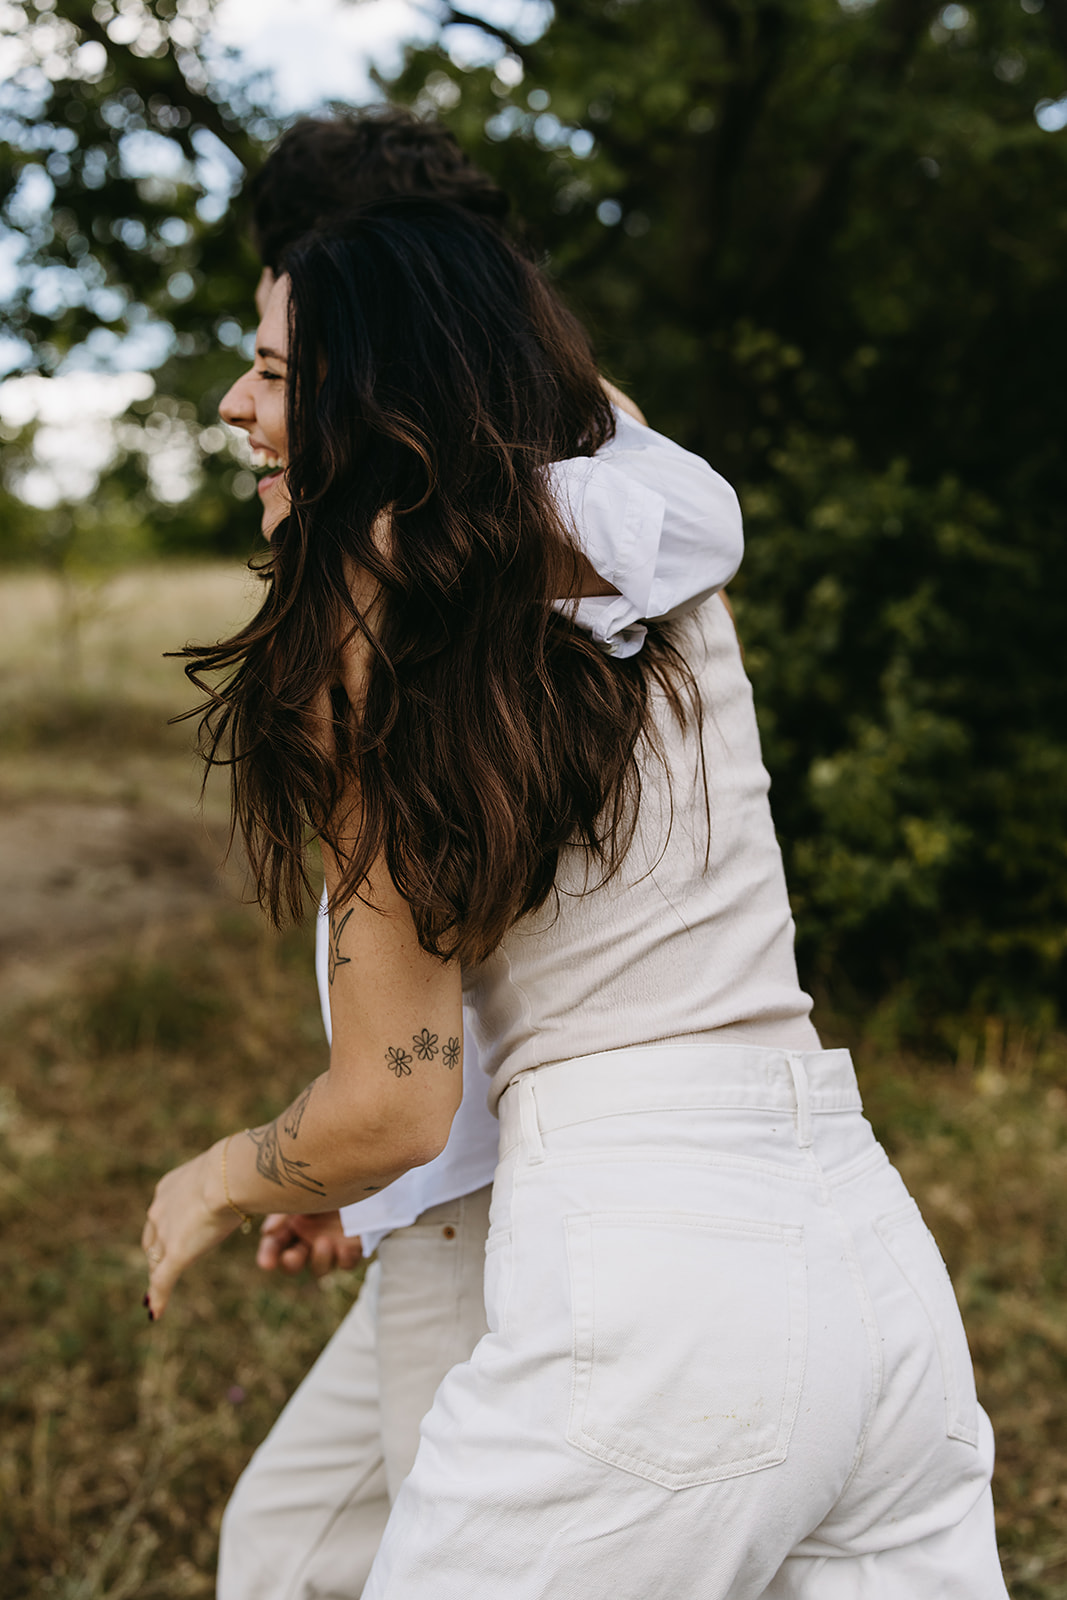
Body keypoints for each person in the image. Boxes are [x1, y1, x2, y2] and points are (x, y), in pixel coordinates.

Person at [144, 199, 1008, 1598]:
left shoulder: (370, 663)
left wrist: (216, 1176)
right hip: (868, 1252)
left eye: (282, 376)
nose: (242, 412)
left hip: (652, 1293)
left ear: (382, 398)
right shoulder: (647, 546)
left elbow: (391, 1101)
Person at [214, 110, 746, 1600]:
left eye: (291, 346)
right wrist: (356, 1172)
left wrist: (431, 510)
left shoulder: (552, 467)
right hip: (437, 1173)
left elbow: (699, 517)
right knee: (282, 1548)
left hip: (514, 1194)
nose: (252, 399)